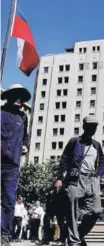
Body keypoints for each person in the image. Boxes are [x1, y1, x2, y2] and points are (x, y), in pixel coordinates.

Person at [55, 115, 104, 246]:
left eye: (94, 127)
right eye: (90, 126)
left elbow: (102, 161)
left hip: (91, 179)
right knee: (72, 212)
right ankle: (74, 242)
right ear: (84, 127)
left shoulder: (96, 145)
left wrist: (99, 174)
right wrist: (60, 178)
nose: (93, 129)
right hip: (75, 179)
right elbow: (64, 160)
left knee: (96, 210)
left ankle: (79, 234)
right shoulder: (74, 141)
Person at [1, 84, 31, 246]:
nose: (19, 98)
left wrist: (24, 146)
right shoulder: (1, 112)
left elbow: (25, 137)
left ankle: (5, 235)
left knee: (9, 200)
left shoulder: (23, 117)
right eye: (16, 95)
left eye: (22, 95)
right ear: (9, 96)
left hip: (12, 165)